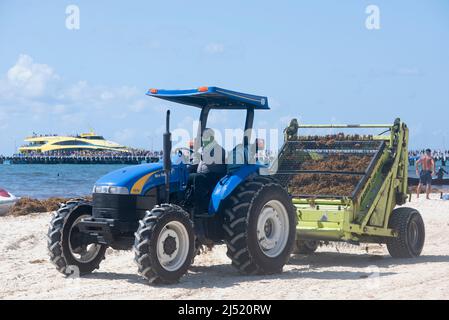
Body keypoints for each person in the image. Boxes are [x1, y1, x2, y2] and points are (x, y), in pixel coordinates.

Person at [189, 129, 226, 214]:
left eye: (206, 136)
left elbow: (211, 162)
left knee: (198, 178)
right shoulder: (202, 149)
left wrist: (201, 154)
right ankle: (186, 202)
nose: (204, 138)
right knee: (187, 176)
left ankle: (201, 207)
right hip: (204, 175)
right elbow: (196, 161)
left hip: (215, 175)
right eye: (203, 136)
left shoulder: (219, 149)